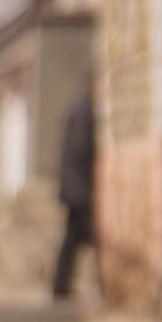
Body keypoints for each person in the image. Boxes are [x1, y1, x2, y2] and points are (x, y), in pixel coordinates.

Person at [51, 87, 96, 301]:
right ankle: (63, 285)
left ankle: (61, 285)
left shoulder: (78, 109)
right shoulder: (84, 112)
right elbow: (81, 149)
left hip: (73, 187)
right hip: (79, 189)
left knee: (72, 238)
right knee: (79, 238)